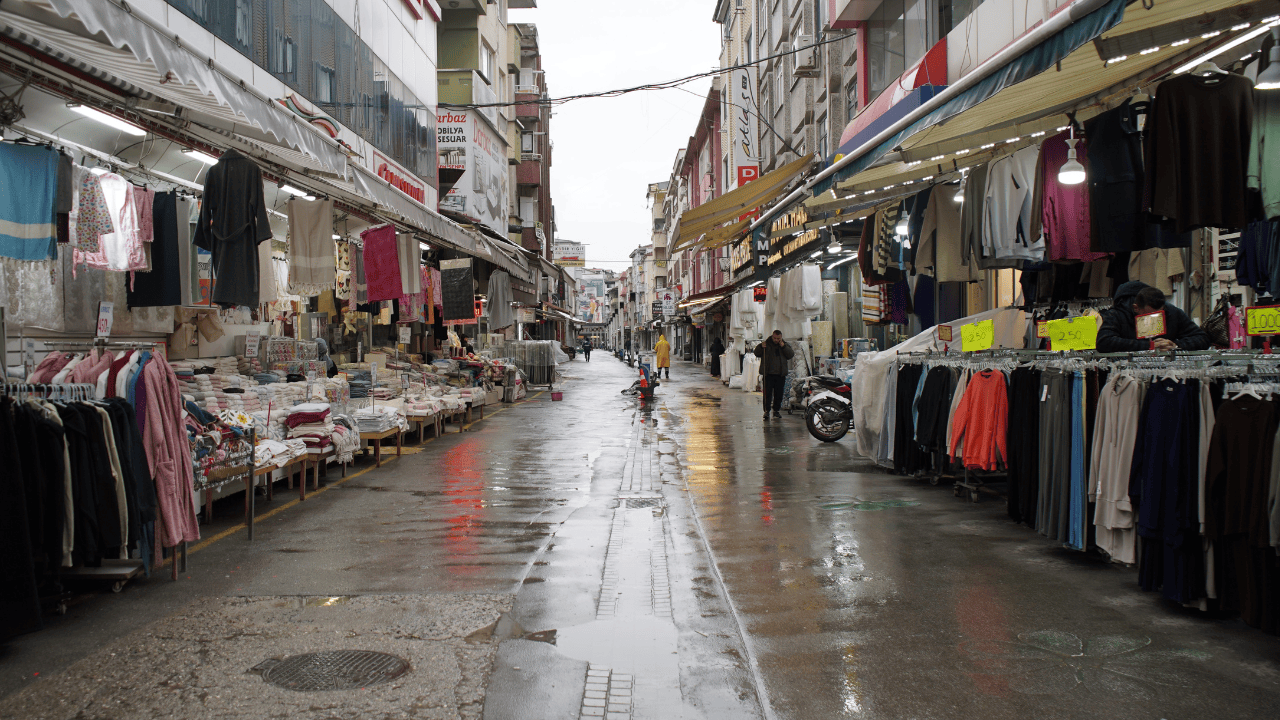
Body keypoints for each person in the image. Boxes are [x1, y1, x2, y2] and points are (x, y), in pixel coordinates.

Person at [1097, 281, 1211, 352]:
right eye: (1149, 315)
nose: (1155, 319)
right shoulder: (1117, 314)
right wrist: (1148, 345)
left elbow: (1202, 339)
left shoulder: (1172, 312)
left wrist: (1176, 345)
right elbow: (1104, 342)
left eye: (1160, 314)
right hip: (1127, 375)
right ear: (1136, 308)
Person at [753, 330, 794, 420]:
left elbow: (790, 355)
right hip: (768, 374)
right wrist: (760, 346)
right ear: (772, 336)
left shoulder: (784, 344)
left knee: (779, 394)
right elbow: (756, 353)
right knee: (767, 394)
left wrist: (783, 347)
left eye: (778, 338)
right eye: (775, 338)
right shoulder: (766, 344)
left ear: (781, 337)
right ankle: (766, 411)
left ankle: (776, 411)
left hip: (780, 374)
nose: (776, 340)